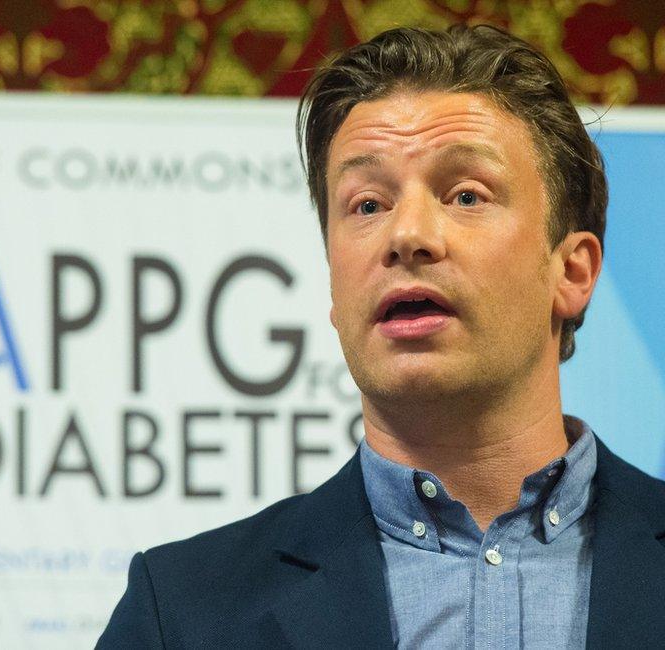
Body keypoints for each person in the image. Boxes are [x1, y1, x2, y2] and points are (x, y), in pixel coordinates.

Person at [98, 24, 665, 648]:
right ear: (335, 290)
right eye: (367, 204)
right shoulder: (181, 611)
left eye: (465, 195)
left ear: (572, 271)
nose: (407, 235)